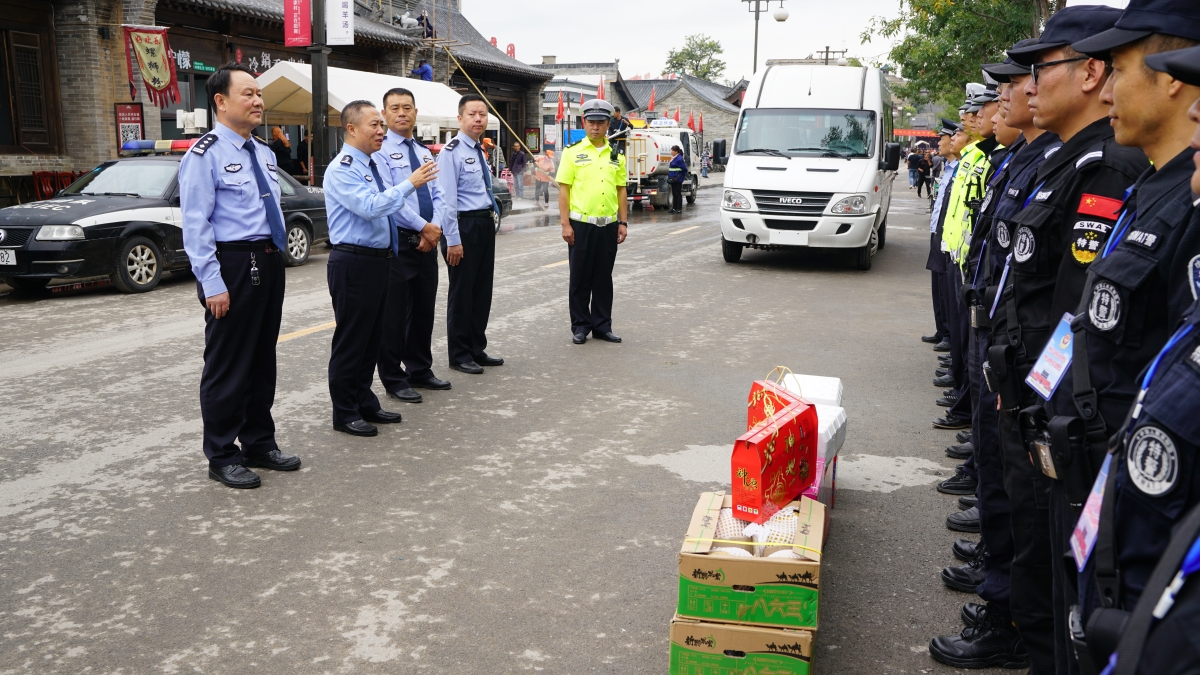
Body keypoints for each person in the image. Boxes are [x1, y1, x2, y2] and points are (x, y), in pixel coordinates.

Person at [991, 8, 1147, 673]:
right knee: (1032, 546)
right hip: (1033, 389)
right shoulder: (1060, 160)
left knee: (1051, 565)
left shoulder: (1102, 166)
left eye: (1039, 69)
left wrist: (1039, 395)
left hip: (1060, 404)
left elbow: (1077, 313)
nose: (1026, 87)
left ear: (1088, 72)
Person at [1061, 11, 1200, 670]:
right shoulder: (1149, 187)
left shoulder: (1182, 208)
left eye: (1118, 69)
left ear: (1172, 80)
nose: (1107, 90)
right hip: (1108, 477)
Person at [179, 63, 300, 489]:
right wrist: (212, 282)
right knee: (229, 363)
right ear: (221, 101)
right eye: (248, 94)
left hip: (267, 260)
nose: (257, 101)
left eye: (259, 94)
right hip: (233, 263)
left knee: (262, 358)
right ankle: (222, 453)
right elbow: (196, 225)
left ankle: (258, 442)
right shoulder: (204, 154)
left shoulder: (263, 152)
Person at [323, 100, 439, 437]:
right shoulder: (344, 167)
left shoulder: (372, 165)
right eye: (374, 124)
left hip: (378, 260)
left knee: (372, 338)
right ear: (351, 129)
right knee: (352, 340)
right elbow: (371, 207)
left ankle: (364, 400)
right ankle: (344, 411)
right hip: (354, 261)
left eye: (381, 125)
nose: (381, 131)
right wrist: (409, 184)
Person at [375, 87, 452, 405]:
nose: (402, 113)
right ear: (384, 114)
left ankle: (420, 368)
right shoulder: (378, 152)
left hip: (427, 242)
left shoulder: (423, 152)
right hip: (400, 244)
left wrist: (434, 229)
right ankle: (394, 377)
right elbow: (390, 198)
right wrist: (422, 227)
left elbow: (438, 195)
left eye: (407, 107)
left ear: (416, 113)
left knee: (423, 309)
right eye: (395, 108)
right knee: (394, 315)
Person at [437, 94, 504, 375]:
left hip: (484, 225)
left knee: (481, 291)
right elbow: (446, 200)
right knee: (463, 292)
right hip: (464, 227)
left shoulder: (479, 149)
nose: (478, 119)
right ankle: (460, 353)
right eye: (472, 114)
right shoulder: (451, 151)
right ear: (460, 118)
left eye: (483, 114)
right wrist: (452, 239)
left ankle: (477, 347)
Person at [555, 98, 628, 345]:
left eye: (600, 123)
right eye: (590, 122)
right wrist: (565, 224)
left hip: (608, 225)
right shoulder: (572, 152)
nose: (595, 127)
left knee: (603, 278)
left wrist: (623, 222)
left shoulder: (616, 155)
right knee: (579, 278)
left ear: (608, 124)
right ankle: (580, 326)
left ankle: (602, 326)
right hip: (581, 225)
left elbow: (621, 190)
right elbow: (564, 190)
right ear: (584, 123)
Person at [923, 119, 962, 350]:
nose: (940, 142)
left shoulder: (960, 168)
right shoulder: (946, 168)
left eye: (943, 138)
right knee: (937, 283)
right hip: (937, 230)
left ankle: (949, 334)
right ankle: (942, 330)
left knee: (948, 288)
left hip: (950, 235)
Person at [667, 145, 687, 213]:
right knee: (674, 194)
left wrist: (678, 176)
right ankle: (674, 208)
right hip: (673, 178)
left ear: (676, 151)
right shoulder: (674, 158)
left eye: (672, 150)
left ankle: (679, 209)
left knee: (678, 194)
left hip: (677, 179)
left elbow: (684, 170)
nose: (671, 152)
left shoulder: (679, 159)